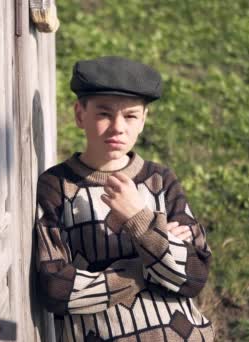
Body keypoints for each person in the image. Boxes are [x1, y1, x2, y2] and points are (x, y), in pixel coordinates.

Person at [34, 56, 214, 341]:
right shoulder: (57, 185)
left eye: (130, 115)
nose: (118, 127)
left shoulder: (161, 180)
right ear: (80, 114)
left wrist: (139, 220)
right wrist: (150, 261)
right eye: (104, 114)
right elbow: (56, 289)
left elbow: (194, 275)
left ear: (143, 120)